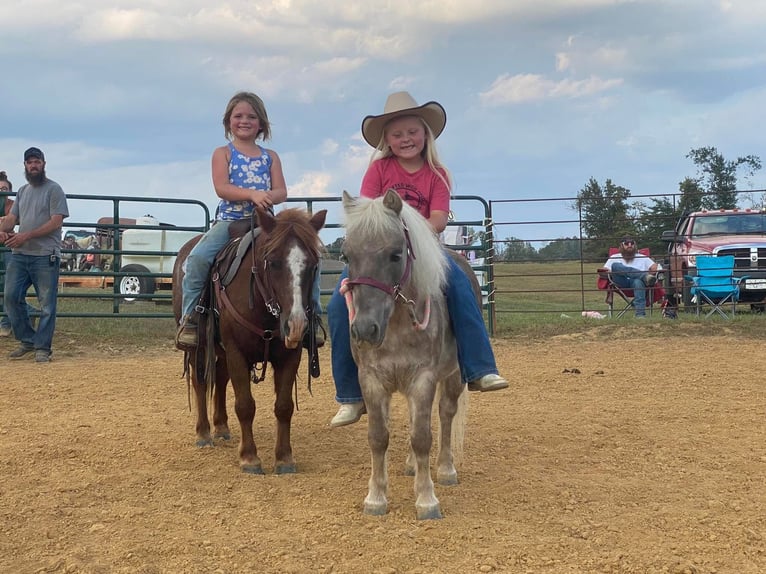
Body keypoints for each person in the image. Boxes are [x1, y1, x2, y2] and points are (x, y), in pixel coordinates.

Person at [327, 91, 509, 428]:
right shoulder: (380, 170)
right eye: (397, 134)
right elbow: (369, 212)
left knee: (459, 283)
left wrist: (411, 234)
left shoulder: (436, 174)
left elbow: (439, 218)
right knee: (338, 305)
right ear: (387, 140)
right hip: (382, 251)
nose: (405, 139)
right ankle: (350, 395)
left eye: (412, 131)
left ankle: (479, 366)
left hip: (426, 248)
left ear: (425, 133)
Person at [175, 91, 290, 348]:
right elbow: (221, 187)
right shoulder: (222, 153)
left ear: (261, 123)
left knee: (303, 255)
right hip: (230, 222)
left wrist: (267, 196)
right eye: (238, 116)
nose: (244, 120)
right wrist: (252, 194)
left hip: (265, 224)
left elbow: (282, 191)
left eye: (251, 116)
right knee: (196, 259)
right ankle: (190, 318)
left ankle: (311, 316)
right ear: (228, 122)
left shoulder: (270, 156)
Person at [0, 148, 69, 362]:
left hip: (44, 255)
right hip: (20, 253)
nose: (33, 165)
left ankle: (43, 348)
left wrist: (25, 235)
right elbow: (13, 218)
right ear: (25, 166)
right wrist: (4, 228)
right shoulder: (22, 191)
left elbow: (56, 221)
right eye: (30, 162)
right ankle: (28, 340)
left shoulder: (54, 190)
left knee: (47, 304)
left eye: (36, 161)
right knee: (11, 298)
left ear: (44, 164)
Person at [0, 172, 39, 337]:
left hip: (7, 248)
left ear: (9, 190)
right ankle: (30, 312)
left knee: (7, 287)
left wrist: (6, 223)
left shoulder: (12, 204)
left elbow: (18, 220)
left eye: (4, 188)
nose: (1, 190)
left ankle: (5, 324)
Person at [602, 235, 660, 318]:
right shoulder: (614, 257)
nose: (629, 245)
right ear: (621, 246)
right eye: (626, 243)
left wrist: (654, 269)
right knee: (615, 266)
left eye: (632, 243)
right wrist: (612, 271)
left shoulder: (643, 257)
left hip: (637, 284)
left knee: (638, 282)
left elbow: (656, 267)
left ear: (635, 245)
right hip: (621, 283)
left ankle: (640, 315)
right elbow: (604, 270)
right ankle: (644, 276)